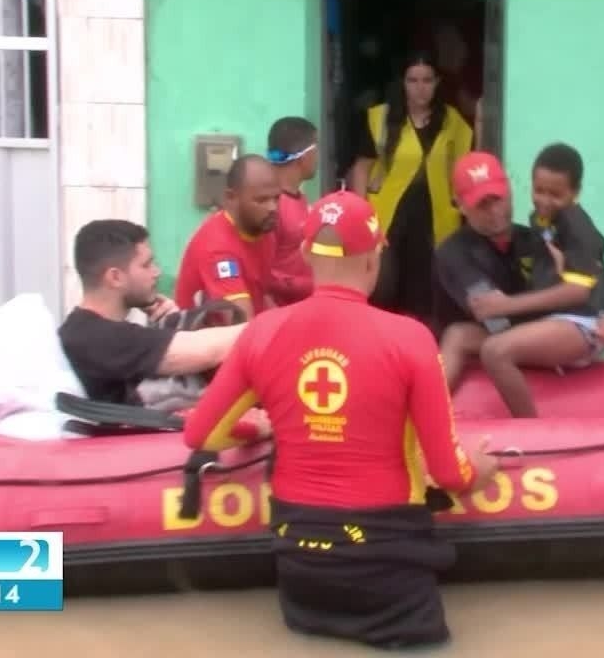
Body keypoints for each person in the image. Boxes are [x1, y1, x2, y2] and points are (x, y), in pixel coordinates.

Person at [183, 190, 499, 650]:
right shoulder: (410, 339)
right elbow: (450, 473)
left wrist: (260, 426)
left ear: (308, 255)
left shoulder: (261, 334)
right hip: (388, 566)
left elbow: (200, 433)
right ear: (374, 260)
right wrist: (480, 471)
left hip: (301, 571)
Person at [433, 152, 604, 416]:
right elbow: (494, 318)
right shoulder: (453, 253)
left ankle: (532, 432)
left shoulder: (537, 235)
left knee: (493, 346)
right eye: (483, 205)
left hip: (548, 333)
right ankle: (425, 413)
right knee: (460, 335)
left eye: (499, 199)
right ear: (460, 205)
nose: (496, 212)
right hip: (510, 336)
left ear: (510, 191)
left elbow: (589, 273)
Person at [59, 219, 246, 406]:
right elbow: (206, 352)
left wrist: (172, 323)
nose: (156, 272)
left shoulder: (82, 330)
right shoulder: (97, 337)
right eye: (146, 265)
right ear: (115, 277)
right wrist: (268, 325)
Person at [348, 50, 473, 328]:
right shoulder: (380, 118)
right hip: (389, 212)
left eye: (427, 80)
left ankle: (421, 343)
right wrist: (358, 213)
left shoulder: (452, 121)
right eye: (413, 80)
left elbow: (466, 167)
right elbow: (362, 167)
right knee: (384, 284)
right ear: (402, 83)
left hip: (436, 213)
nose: (420, 88)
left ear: (438, 82)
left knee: (427, 287)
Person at [174, 153, 282, 317]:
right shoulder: (218, 248)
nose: (273, 207)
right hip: (205, 338)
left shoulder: (263, 230)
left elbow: (263, 296)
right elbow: (240, 322)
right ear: (231, 198)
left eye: (276, 198)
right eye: (262, 200)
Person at [265, 116, 320, 306]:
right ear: (304, 156)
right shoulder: (270, 206)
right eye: (317, 148)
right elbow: (261, 274)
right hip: (280, 315)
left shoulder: (300, 199)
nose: (319, 156)